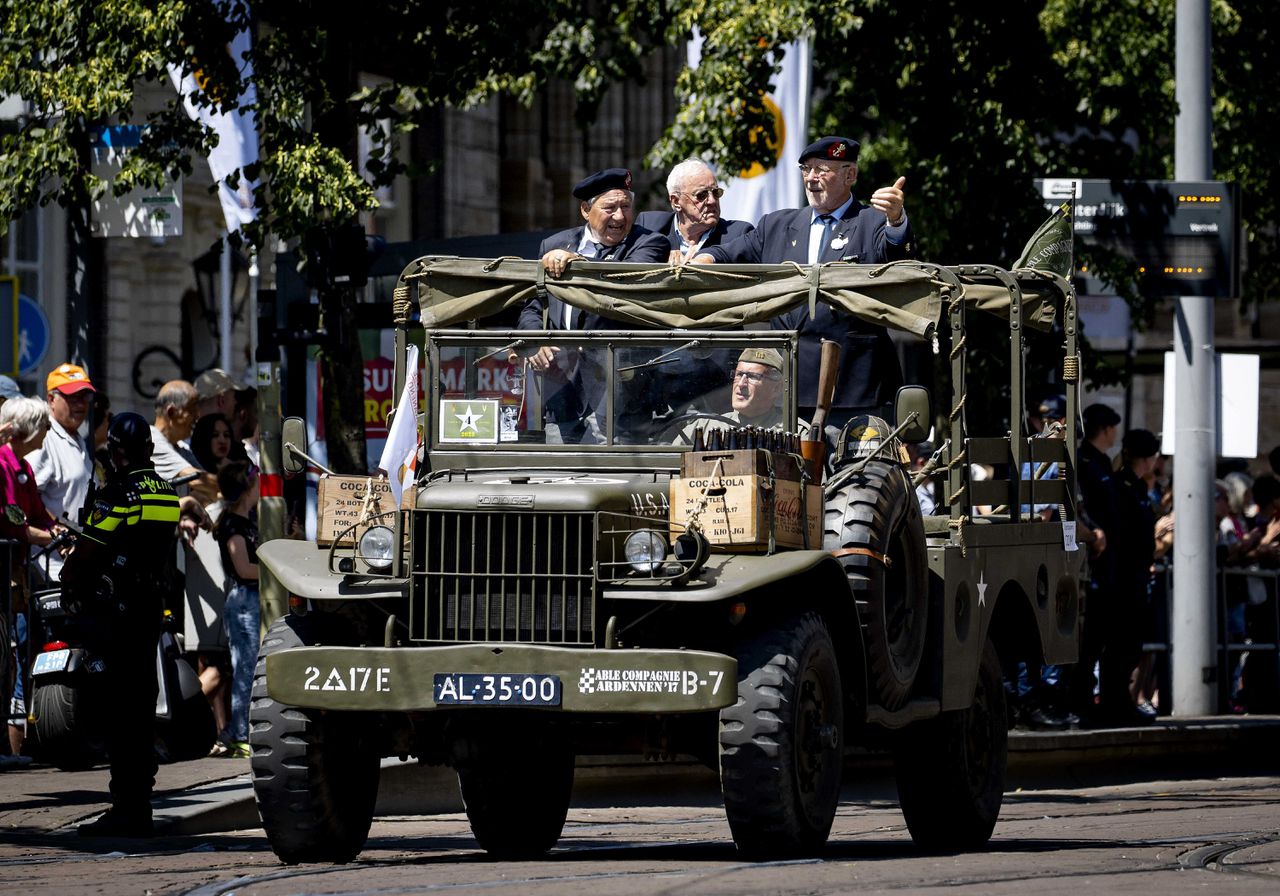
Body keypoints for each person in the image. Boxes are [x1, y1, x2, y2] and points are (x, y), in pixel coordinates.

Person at [694, 136, 917, 428]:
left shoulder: (871, 221)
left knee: (853, 473)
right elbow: (729, 254)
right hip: (786, 389)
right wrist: (702, 259)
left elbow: (897, 257)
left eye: (822, 169)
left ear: (850, 175)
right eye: (806, 169)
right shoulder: (777, 225)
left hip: (853, 388)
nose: (811, 178)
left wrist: (897, 220)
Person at [63, 412, 182, 838]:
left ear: (117, 450)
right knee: (141, 705)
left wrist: (68, 579)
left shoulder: (120, 492)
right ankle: (140, 803)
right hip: (149, 608)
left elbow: (90, 548)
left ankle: (125, 807)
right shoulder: (166, 492)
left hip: (118, 610)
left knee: (119, 710)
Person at [517, 168, 669, 443]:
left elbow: (621, 281)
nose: (620, 217)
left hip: (620, 403)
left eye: (626, 206)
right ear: (586, 210)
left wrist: (575, 262)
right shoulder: (552, 245)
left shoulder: (650, 244)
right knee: (559, 479)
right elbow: (533, 307)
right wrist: (535, 342)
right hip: (561, 395)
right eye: (610, 208)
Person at [0, 397, 57, 762]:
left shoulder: (21, 465)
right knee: (6, 653)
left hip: (16, 571)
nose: (46, 434)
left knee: (13, 654)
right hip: (5, 571)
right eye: (42, 427)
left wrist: (60, 530)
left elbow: (36, 509)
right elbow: (10, 515)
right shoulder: (4, 462)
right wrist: (39, 534)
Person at [1092, 428, 1161, 727]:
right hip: (1123, 577)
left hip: (1137, 576)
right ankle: (1114, 702)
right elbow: (1125, 535)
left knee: (1132, 643)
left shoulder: (1139, 488)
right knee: (1120, 642)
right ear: (1148, 458)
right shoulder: (1122, 486)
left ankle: (1121, 700)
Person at [28, 362, 97, 582]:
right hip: (48, 568)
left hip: (74, 568)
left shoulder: (77, 438)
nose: (80, 404)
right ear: (51, 399)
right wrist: (56, 530)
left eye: (84, 396)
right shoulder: (44, 437)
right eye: (72, 397)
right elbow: (28, 493)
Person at [213, 462, 259, 760]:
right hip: (243, 600)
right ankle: (241, 734)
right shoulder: (233, 525)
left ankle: (234, 731)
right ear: (246, 489)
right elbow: (243, 568)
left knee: (250, 667)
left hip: (251, 599)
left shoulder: (248, 522)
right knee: (245, 668)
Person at [636, 158, 754, 264]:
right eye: (701, 195)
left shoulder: (739, 234)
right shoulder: (649, 226)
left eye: (716, 192)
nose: (712, 201)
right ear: (676, 202)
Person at [676, 348, 797, 443]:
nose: (741, 384)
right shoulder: (704, 429)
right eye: (739, 375)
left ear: (776, 388)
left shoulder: (791, 432)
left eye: (752, 377)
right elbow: (668, 466)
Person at [150, 380, 218, 504]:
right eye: (191, 410)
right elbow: (198, 479)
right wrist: (238, 489)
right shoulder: (153, 442)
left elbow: (206, 483)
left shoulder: (181, 447)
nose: (197, 416)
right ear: (171, 412)